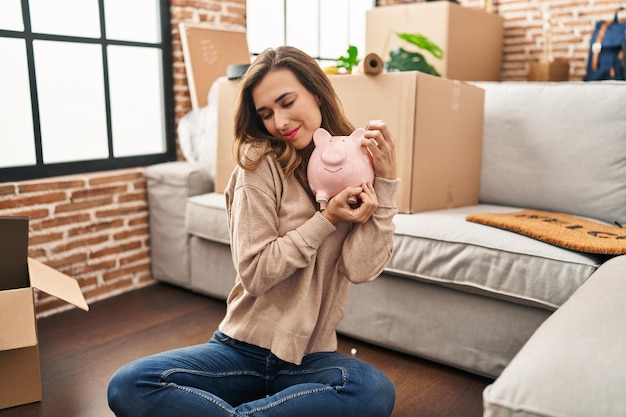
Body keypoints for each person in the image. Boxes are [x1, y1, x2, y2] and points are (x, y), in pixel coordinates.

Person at [107, 45, 399, 417]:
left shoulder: (354, 164)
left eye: (286, 101)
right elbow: (256, 273)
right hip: (241, 348)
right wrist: (327, 220)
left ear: (316, 92)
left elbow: (361, 270)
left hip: (312, 358)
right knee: (131, 384)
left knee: (372, 391)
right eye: (266, 113)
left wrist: (386, 182)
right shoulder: (258, 168)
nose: (279, 122)